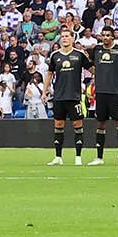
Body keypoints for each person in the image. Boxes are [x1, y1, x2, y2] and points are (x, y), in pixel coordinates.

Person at [88, 23, 118, 164]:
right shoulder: (96, 49)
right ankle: (99, 157)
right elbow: (88, 64)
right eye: (104, 35)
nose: (106, 38)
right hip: (101, 92)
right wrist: (97, 72)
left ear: (113, 37)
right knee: (100, 124)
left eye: (108, 35)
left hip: (115, 92)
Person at [45, 26, 88, 165]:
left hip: (74, 95)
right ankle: (58, 156)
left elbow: (92, 69)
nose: (64, 38)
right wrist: (45, 90)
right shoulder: (55, 55)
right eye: (62, 36)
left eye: (67, 36)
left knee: (77, 124)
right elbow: (50, 73)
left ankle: (78, 156)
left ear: (72, 38)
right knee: (58, 124)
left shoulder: (79, 55)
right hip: (59, 95)